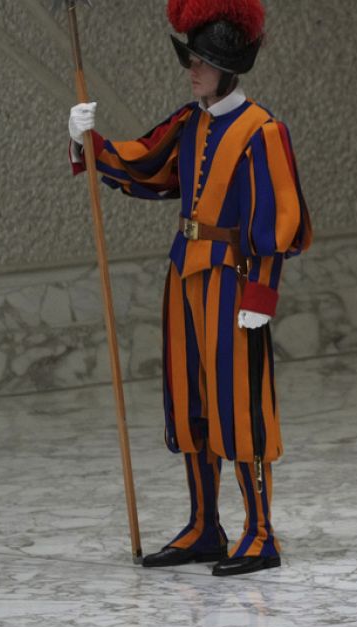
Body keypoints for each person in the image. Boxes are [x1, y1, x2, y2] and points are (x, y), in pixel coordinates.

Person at [66, 0, 311, 576]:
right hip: (185, 276)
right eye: (192, 59)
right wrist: (87, 142)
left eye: (200, 61)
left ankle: (260, 533)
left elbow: (279, 222)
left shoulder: (263, 131)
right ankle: (205, 526)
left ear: (227, 68)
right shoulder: (189, 122)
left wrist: (262, 297)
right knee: (190, 402)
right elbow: (147, 167)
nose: (191, 69)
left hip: (234, 282)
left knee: (241, 406)